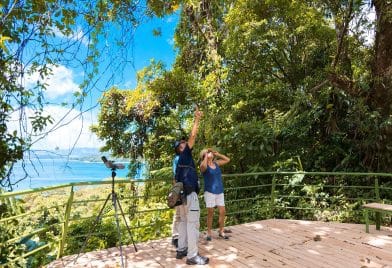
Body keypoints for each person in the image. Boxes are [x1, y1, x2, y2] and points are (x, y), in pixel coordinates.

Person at [174, 107, 209, 265]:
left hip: (181, 197)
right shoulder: (185, 155)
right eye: (183, 144)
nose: (186, 144)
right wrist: (197, 119)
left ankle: (181, 249)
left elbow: (175, 182)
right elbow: (193, 135)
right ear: (181, 149)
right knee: (193, 223)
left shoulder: (178, 164)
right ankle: (192, 255)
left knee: (182, 222)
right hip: (189, 194)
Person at [199, 148, 230, 241]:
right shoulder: (203, 165)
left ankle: (221, 231)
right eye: (208, 152)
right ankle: (209, 232)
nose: (210, 153)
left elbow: (227, 160)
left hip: (219, 191)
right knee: (210, 212)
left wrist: (218, 154)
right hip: (209, 192)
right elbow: (202, 166)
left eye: (210, 152)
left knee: (222, 211)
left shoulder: (216, 163)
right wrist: (205, 156)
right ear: (204, 155)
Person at [170, 148, 180, 248]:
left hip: (188, 189)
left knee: (185, 214)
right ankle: (175, 237)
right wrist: (176, 191)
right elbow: (174, 176)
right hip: (180, 188)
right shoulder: (177, 159)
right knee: (178, 214)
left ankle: (181, 236)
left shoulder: (188, 158)